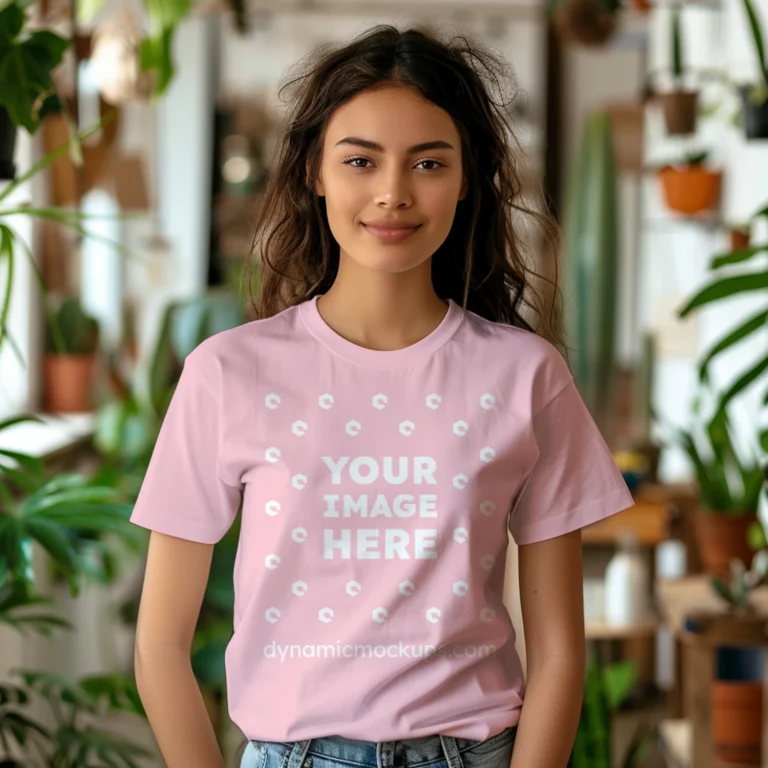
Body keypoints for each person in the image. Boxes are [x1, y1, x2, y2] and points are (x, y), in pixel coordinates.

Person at [130, 23, 635, 768]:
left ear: (467, 178)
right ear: (315, 172)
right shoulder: (227, 373)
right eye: (360, 160)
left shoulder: (526, 376)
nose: (393, 193)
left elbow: (560, 651)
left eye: (428, 162)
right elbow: (160, 646)